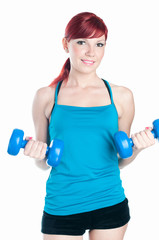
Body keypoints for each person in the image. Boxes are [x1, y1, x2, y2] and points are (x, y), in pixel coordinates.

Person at [24, 12, 155, 240]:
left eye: (99, 44)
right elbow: (44, 163)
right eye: (82, 42)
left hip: (109, 201)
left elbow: (120, 159)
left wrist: (138, 148)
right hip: (62, 204)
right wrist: (35, 153)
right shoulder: (46, 97)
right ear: (66, 44)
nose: (91, 52)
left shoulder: (122, 96)